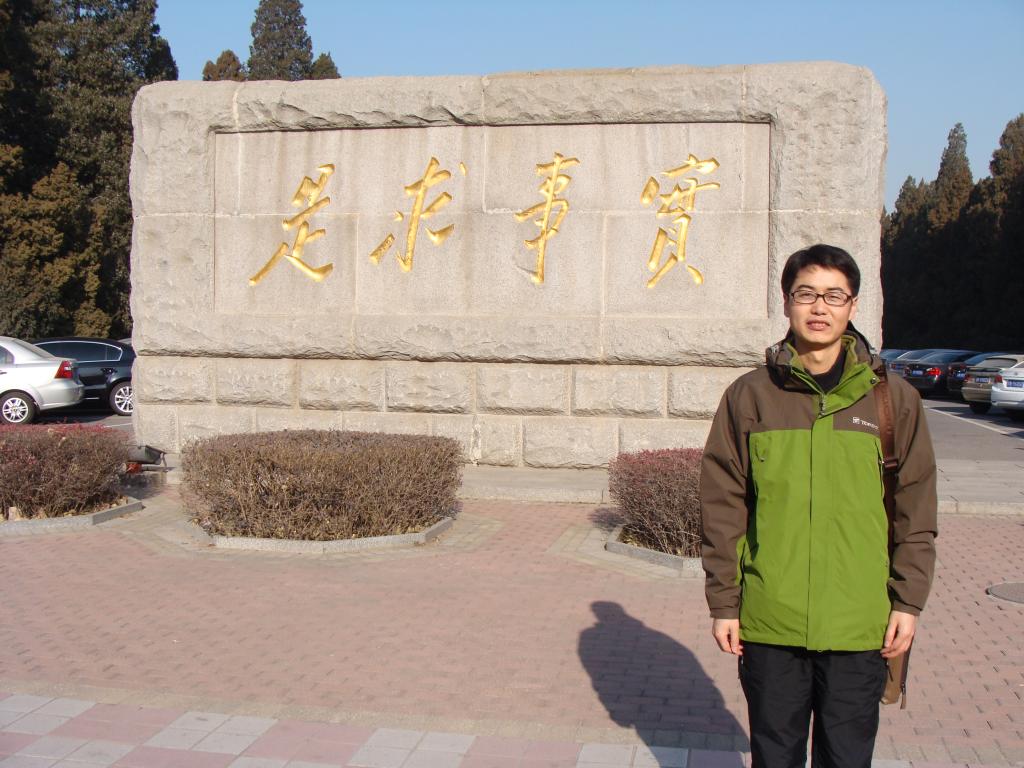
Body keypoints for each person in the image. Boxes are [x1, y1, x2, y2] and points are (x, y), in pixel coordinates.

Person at [700, 244, 938, 768]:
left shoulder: (892, 400)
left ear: (853, 306)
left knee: (847, 759)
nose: (819, 307)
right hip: (771, 622)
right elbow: (722, 508)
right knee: (774, 756)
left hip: (860, 622)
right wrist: (724, 604)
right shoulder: (750, 396)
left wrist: (907, 602)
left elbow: (916, 511)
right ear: (786, 301)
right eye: (806, 293)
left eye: (834, 295)